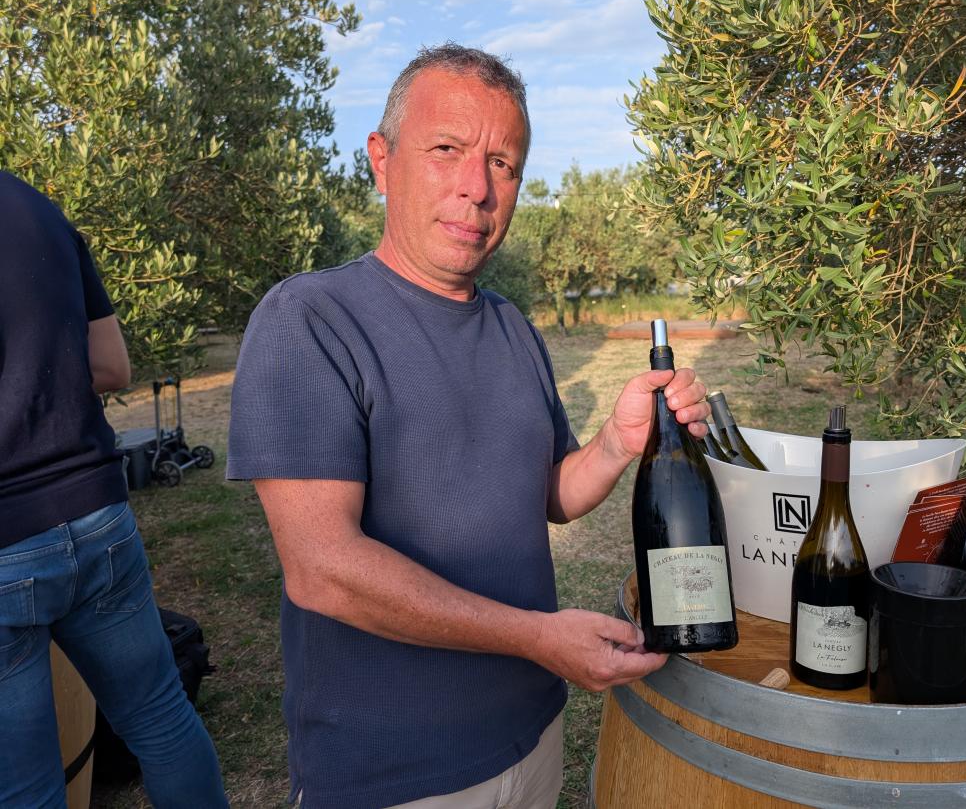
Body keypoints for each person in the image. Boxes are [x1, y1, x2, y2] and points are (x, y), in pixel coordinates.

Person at [226, 43, 709, 809]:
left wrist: (617, 443)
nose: (477, 188)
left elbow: (549, 496)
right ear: (381, 160)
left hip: (532, 734)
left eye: (503, 164)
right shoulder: (311, 319)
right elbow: (322, 567)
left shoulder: (512, 325)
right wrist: (538, 637)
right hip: (395, 774)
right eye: (446, 150)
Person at [0, 171, 229, 808]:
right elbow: (112, 367)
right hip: (95, 514)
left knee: (23, 785)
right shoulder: (39, 211)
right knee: (161, 718)